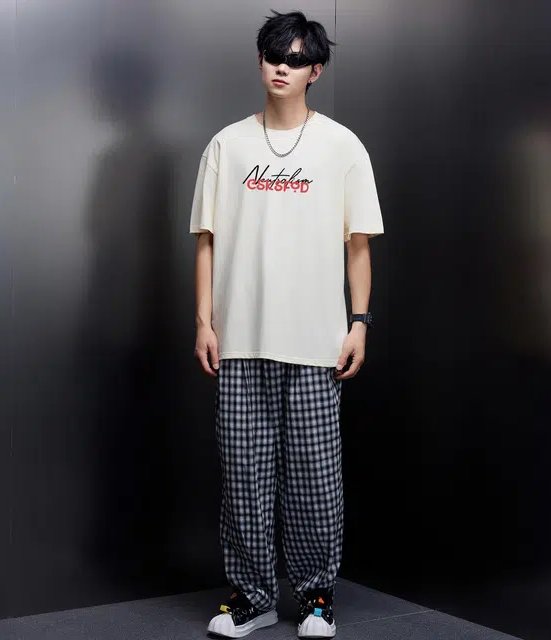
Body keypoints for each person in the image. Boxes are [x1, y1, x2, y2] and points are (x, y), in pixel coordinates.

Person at [189, 9, 384, 638]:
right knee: (243, 478)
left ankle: (316, 599)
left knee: (314, 479)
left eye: (296, 59)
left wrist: (359, 323)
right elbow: (206, 240)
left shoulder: (342, 145)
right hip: (240, 339)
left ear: (315, 71)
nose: (282, 67)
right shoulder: (227, 145)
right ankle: (253, 599)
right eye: (274, 56)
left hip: (316, 341)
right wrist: (204, 322)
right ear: (260, 62)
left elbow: (358, 244)